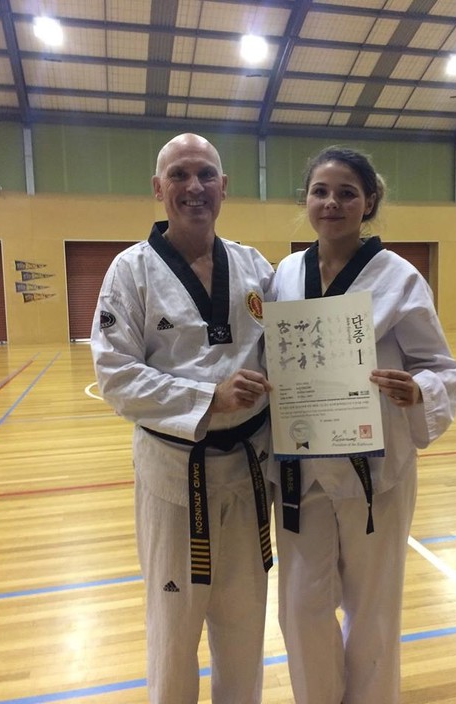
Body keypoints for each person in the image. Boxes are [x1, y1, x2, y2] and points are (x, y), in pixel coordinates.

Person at [268, 145, 456, 704]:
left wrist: (417, 389)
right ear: (306, 199)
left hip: (376, 472)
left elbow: (440, 367)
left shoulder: (400, 277)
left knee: (373, 609)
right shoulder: (285, 274)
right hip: (302, 471)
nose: (332, 203)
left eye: (347, 192)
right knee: (301, 607)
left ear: (369, 201)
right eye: (320, 191)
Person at [90, 133, 274, 704]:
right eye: (179, 175)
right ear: (157, 188)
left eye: (205, 175)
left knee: (244, 625)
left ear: (224, 187)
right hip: (175, 477)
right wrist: (207, 397)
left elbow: (289, 355)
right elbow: (115, 376)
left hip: (249, 472)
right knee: (173, 627)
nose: (193, 187)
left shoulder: (254, 266)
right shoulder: (131, 271)